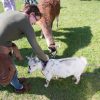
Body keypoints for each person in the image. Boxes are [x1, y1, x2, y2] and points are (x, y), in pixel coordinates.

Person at [0, 4, 49, 93]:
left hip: (3, 42)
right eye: (36, 19)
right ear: (32, 14)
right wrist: (45, 59)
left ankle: (15, 81)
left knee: (8, 62)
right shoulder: (25, 21)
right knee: (10, 69)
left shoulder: (14, 12)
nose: (35, 23)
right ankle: (19, 87)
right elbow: (35, 47)